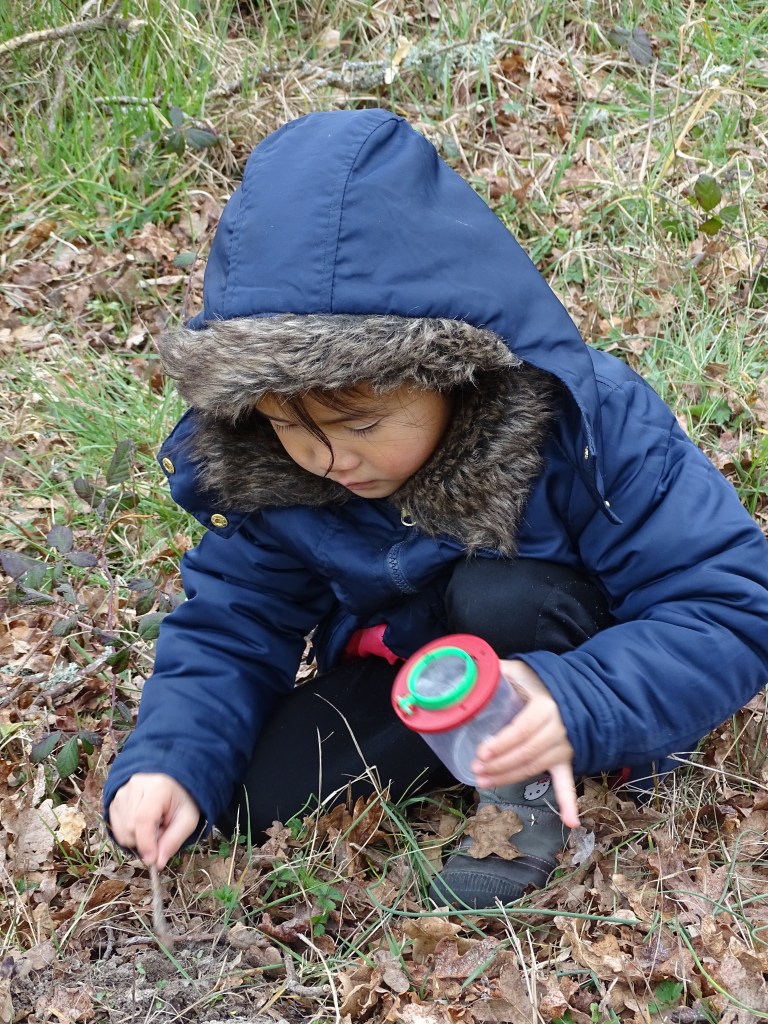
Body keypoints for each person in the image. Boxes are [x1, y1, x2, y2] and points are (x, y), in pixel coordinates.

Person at [104, 108, 768, 910]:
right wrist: (170, 760)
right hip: (415, 674)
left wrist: (576, 699)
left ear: (452, 370)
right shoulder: (276, 471)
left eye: (361, 425)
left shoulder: (590, 422)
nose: (327, 459)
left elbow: (732, 606)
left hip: (572, 660)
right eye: (288, 426)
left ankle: (530, 786)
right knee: (251, 798)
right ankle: (453, 754)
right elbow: (232, 620)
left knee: (499, 596)